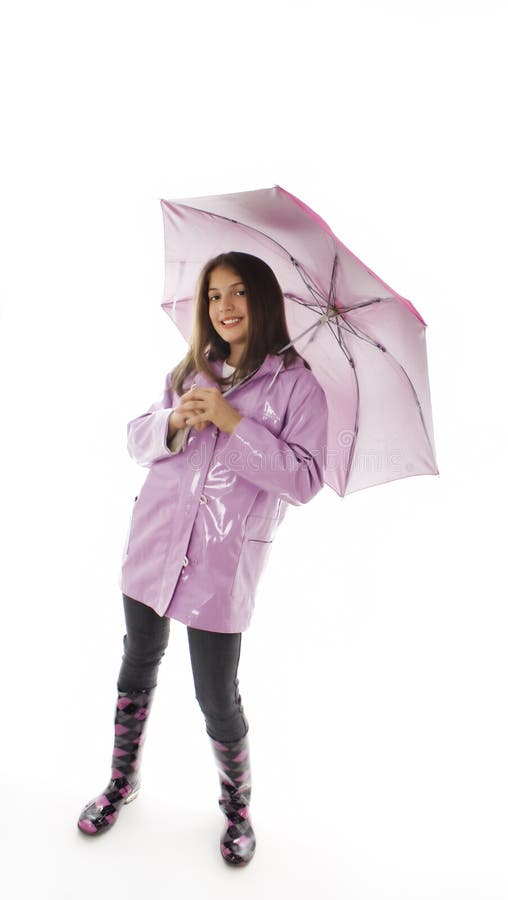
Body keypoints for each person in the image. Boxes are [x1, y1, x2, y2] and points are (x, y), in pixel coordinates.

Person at [77, 251, 329, 866]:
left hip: (222, 563)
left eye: (239, 293)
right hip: (154, 542)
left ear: (263, 300)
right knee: (137, 663)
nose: (225, 307)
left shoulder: (300, 384)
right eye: (214, 295)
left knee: (216, 693)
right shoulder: (193, 368)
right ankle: (120, 782)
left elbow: (302, 479)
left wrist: (234, 423)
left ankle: (237, 810)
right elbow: (137, 440)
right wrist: (175, 420)